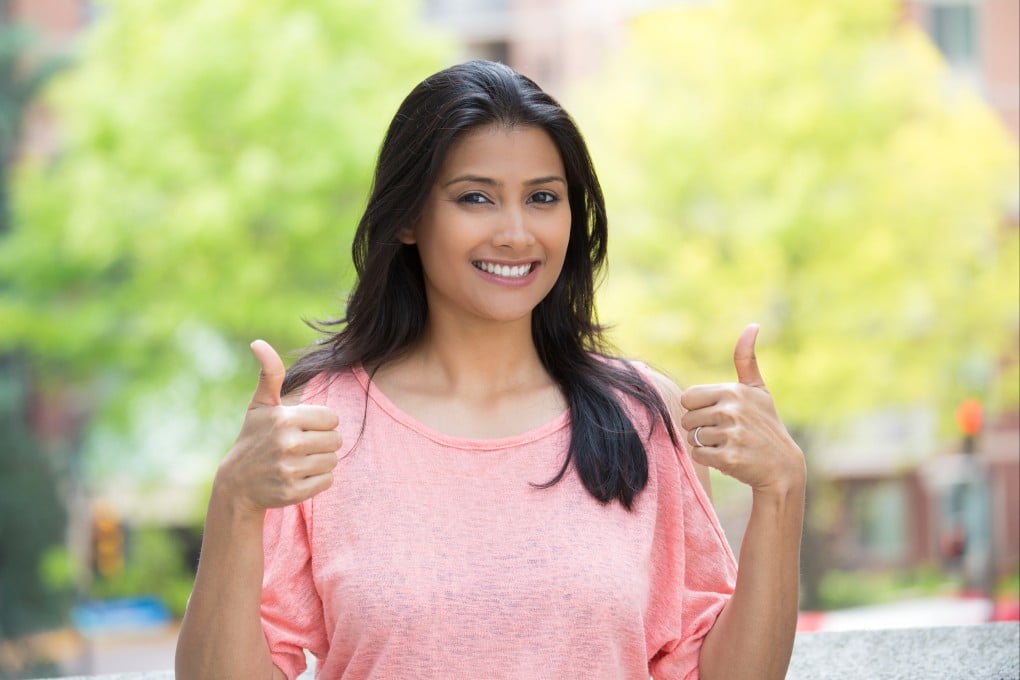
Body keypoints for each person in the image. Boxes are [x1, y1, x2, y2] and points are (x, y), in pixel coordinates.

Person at [175, 60, 806, 680]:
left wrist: (781, 490)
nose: (515, 232)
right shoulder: (322, 421)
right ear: (407, 218)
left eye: (542, 198)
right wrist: (235, 500)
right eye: (475, 197)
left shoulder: (639, 414)